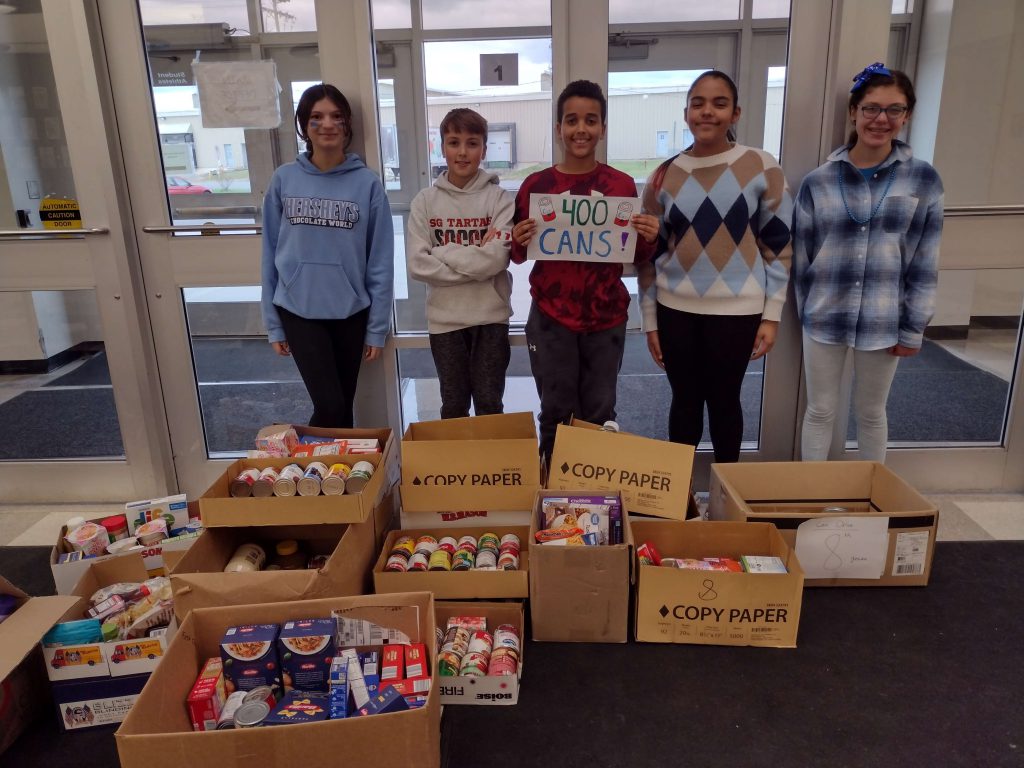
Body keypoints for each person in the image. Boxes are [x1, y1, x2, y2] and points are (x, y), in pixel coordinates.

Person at [638, 70, 793, 463]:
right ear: (686, 112)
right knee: (684, 404)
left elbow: (780, 246)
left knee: (726, 404)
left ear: (735, 112)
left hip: (738, 312)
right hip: (676, 311)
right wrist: (651, 320)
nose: (707, 112)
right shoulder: (663, 175)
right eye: (698, 103)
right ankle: (680, 500)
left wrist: (772, 315)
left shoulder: (761, 166)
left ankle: (726, 500)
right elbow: (648, 255)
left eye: (719, 103)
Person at [793, 63, 943, 462]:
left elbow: (925, 263)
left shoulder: (923, 180)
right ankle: (813, 498)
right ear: (854, 112)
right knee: (820, 409)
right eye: (871, 108)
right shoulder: (819, 181)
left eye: (894, 110)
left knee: (872, 413)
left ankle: (870, 501)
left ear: (907, 115)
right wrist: (805, 313)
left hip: (883, 318)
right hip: (824, 316)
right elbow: (802, 259)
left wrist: (914, 326)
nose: (881, 119)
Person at [511, 80, 659, 460]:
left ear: (603, 129)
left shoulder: (620, 185)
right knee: (556, 412)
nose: (581, 129)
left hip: (605, 317)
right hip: (551, 315)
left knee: (599, 414)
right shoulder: (536, 185)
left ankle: (595, 504)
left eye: (590, 120)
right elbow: (515, 254)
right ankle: (552, 502)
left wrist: (649, 235)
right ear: (558, 128)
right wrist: (518, 236)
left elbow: (636, 253)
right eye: (572, 120)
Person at [261, 83, 394, 428]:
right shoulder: (283, 180)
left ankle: (330, 477)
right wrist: (274, 324)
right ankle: (307, 471)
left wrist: (376, 328)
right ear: (304, 126)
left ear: (347, 124)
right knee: (331, 404)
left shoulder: (367, 184)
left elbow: (380, 260)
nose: (327, 124)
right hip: (298, 309)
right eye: (316, 117)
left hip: (351, 311)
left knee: (341, 409)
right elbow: (269, 254)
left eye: (336, 116)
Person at [407, 108, 514, 418]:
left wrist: (442, 252)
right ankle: (459, 467)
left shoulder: (500, 199)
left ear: (483, 149)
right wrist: (474, 263)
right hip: (445, 322)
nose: (463, 152)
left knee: (489, 404)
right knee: (453, 406)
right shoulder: (425, 201)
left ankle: (489, 466)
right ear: (442, 147)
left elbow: (496, 259)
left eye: (472, 143)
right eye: (454, 142)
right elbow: (417, 265)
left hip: (490, 320)